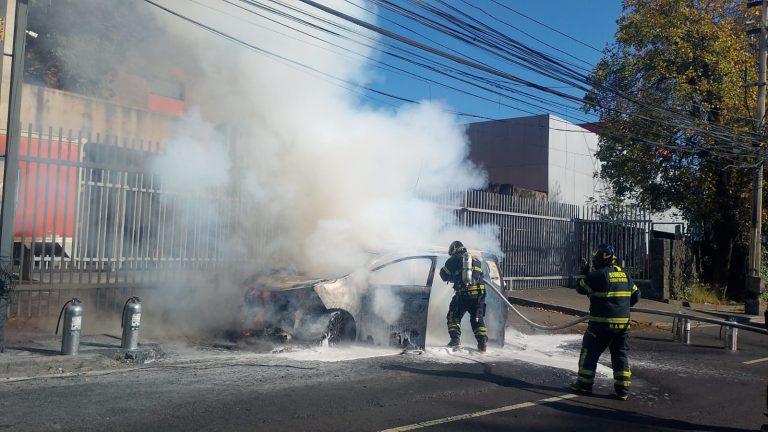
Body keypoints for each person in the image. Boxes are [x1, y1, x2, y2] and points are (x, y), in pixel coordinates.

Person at [570, 244, 640, 400]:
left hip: (601, 325)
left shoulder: (598, 275)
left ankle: (584, 384)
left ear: (600, 259)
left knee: (589, 352)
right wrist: (621, 306)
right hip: (622, 326)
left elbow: (581, 287)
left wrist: (583, 271)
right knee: (620, 354)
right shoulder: (625, 276)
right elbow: (636, 296)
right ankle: (623, 390)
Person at [439, 240, 488, 352]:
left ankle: (455, 340)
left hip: (464, 293)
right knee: (477, 318)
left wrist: (453, 278)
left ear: (453, 250)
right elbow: (481, 276)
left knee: (453, 315)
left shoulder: (453, 260)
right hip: (479, 294)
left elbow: (443, 275)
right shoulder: (476, 260)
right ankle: (482, 343)